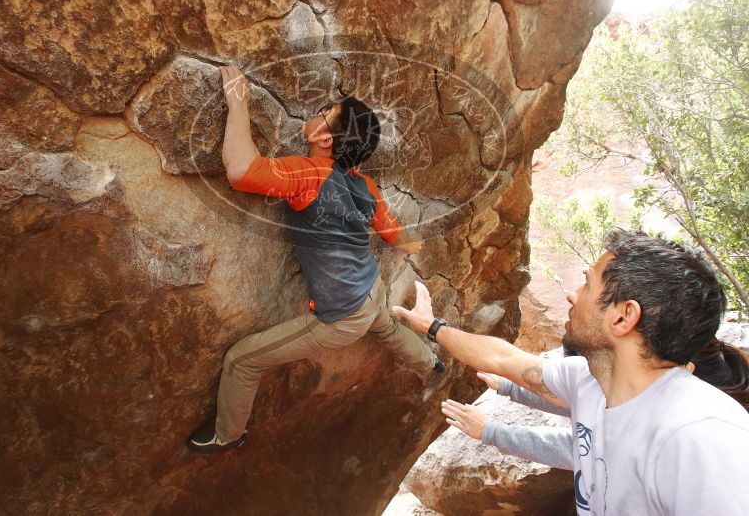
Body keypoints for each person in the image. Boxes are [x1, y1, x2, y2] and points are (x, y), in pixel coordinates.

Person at [393, 229, 749, 515]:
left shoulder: (699, 437)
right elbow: (503, 358)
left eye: (587, 284)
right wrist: (433, 327)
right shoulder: (590, 380)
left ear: (624, 317)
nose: (571, 296)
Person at [187, 66, 444, 454]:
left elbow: (241, 170)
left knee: (242, 360)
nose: (317, 112)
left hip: (342, 313)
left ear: (324, 138)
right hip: (371, 289)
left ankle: (229, 435)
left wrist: (238, 102)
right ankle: (431, 364)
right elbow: (400, 239)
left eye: (324, 111)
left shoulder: (309, 174)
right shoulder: (364, 184)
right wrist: (417, 245)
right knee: (386, 328)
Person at [441, 338, 749, 472]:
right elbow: (593, 398)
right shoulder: (673, 405)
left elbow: (581, 447)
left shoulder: (682, 442)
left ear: (686, 372)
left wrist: (491, 431)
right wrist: (512, 387)